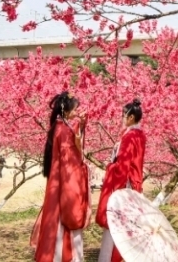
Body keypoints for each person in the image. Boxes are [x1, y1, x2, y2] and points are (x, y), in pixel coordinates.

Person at [31, 91, 90, 262]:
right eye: (74, 109)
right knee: (63, 221)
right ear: (65, 111)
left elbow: (74, 143)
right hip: (65, 181)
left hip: (56, 181)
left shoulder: (58, 127)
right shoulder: (63, 130)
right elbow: (70, 160)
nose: (76, 112)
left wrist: (81, 125)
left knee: (54, 219)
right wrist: (82, 170)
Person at [97, 99, 146, 262]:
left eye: (123, 115)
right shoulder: (141, 135)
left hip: (123, 184)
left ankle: (111, 258)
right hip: (135, 184)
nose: (121, 118)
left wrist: (110, 167)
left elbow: (122, 167)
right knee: (128, 224)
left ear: (131, 117)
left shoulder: (129, 136)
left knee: (116, 222)